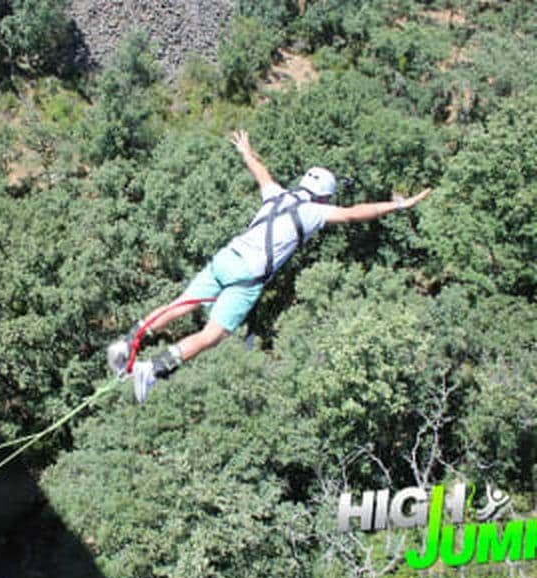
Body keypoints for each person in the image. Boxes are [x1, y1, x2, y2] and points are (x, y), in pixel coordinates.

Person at [107, 129, 433, 403]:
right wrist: (400, 204)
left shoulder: (277, 194)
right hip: (247, 277)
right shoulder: (314, 213)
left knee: (180, 304)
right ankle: (155, 368)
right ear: (323, 197)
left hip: (226, 257)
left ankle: (126, 341)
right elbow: (356, 212)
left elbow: (259, 171)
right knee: (212, 335)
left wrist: (246, 150)